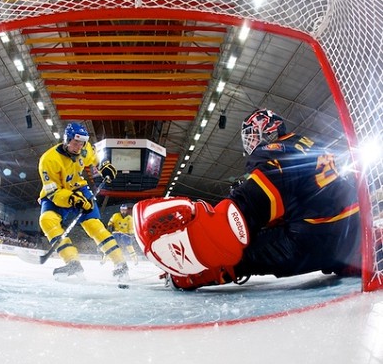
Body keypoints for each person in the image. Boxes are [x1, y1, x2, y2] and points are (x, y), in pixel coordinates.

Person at [133, 109, 361, 290]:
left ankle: (195, 276)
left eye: (252, 134)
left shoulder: (275, 152)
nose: (251, 143)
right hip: (352, 232)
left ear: (268, 129)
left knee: (238, 250)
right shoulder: (308, 144)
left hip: (314, 239)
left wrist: (207, 240)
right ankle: (362, 251)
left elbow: (244, 212)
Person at [38, 122, 129, 281]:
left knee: (94, 225)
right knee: (46, 220)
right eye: (75, 143)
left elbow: (96, 156)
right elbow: (52, 191)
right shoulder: (48, 160)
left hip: (79, 189)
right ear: (67, 139)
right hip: (56, 194)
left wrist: (103, 165)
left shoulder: (84, 148)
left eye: (82, 143)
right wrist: (72, 199)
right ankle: (72, 263)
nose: (79, 147)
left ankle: (120, 264)